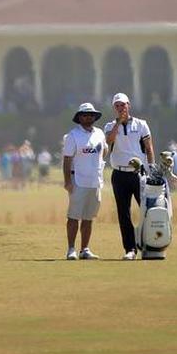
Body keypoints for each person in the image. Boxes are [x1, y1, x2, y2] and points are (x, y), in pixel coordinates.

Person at [103, 92, 154, 260]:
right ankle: (130, 249)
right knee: (123, 213)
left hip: (138, 173)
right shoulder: (110, 126)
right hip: (119, 174)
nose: (120, 108)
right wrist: (118, 123)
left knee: (147, 211)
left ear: (128, 105)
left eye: (123, 105)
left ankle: (150, 245)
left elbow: (148, 147)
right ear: (114, 108)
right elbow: (109, 141)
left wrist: (151, 168)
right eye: (117, 106)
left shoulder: (141, 124)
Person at [62, 102, 107, 260]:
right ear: (79, 118)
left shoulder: (100, 134)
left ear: (94, 117)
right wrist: (68, 181)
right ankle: (71, 249)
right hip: (78, 181)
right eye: (85, 115)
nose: (88, 117)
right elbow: (67, 160)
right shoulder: (73, 136)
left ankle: (85, 249)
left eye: (91, 115)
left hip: (95, 182)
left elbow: (104, 151)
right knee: (74, 216)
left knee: (88, 217)